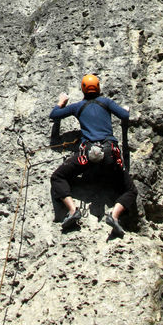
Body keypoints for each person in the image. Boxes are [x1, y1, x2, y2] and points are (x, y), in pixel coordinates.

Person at [49, 74, 137, 236]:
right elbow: (124, 116)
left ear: (83, 89)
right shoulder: (106, 102)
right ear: (99, 88)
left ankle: (73, 210)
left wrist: (61, 103)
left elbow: (54, 115)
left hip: (88, 155)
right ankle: (114, 215)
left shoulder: (77, 107)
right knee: (130, 190)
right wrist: (125, 110)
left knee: (57, 177)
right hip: (110, 154)